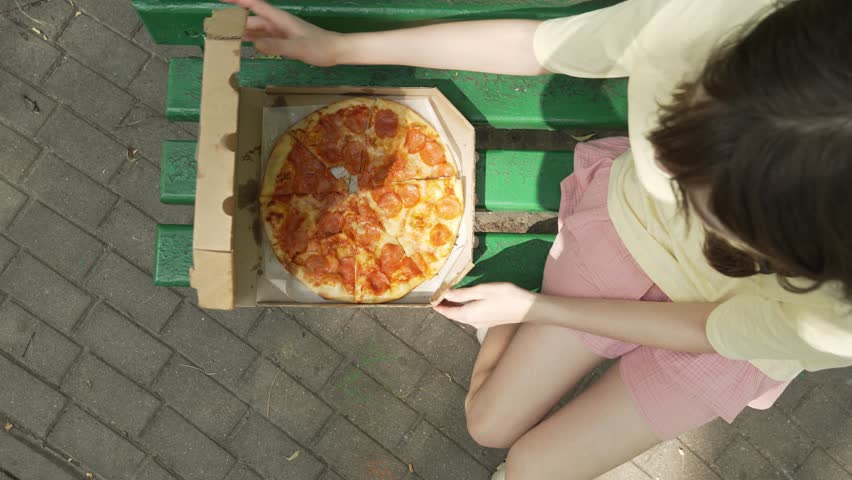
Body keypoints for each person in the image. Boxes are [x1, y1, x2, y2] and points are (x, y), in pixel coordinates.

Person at [224, 0, 852, 478]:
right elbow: (539, 45)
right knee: (488, 424)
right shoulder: (706, 20)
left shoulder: (841, 316)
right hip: (632, 233)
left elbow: (710, 331)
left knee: (530, 468)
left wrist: (534, 308)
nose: (685, 206)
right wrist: (337, 48)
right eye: (679, 166)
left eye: (722, 224)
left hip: (729, 339)